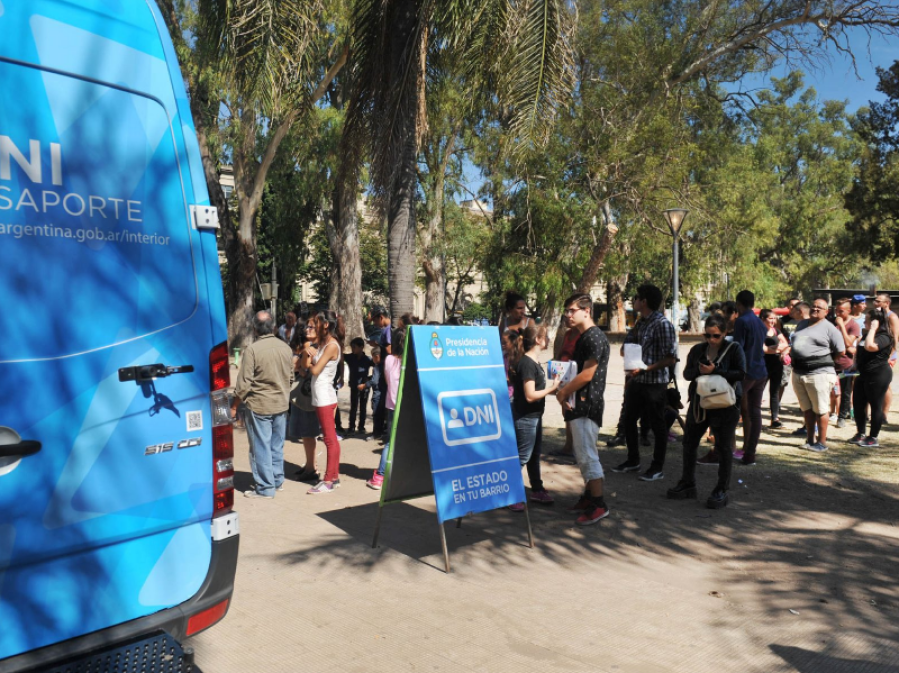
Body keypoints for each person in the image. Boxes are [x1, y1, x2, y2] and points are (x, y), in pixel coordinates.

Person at [667, 314, 746, 509]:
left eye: (716, 335)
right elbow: (687, 374)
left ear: (725, 333)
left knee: (723, 447)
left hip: (725, 405)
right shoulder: (698, 350)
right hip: (699, 404)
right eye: (707, 335)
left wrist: (716, 371)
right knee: (689, 442)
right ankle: (687, 482)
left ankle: (721, 489)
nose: (711, 339)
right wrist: (699, 371)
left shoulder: (734, 349)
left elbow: (741, 373)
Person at [555, 294, 611, 526]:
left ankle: (598, 504)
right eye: (566, 311)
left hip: (587, 405)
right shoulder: (583, 336)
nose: (568, 315)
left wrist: (563, 393)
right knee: (582, 453)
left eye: (572, 310)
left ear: (586, 311)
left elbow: (588, 374)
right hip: (580, 402)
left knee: (587, 456)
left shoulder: (594, 337)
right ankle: (589, 497)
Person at [614, 284, 677, 481]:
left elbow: (670, 358)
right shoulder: (640, 323)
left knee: (657, 425)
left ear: (644, 301)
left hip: (655, 383)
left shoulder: (662, 324)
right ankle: (633, 460)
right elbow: (626, 347)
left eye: (636, 297)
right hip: (637, 380)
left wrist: (646, 368)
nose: (633, 301)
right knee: (629, 419)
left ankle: (657, 467)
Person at [231, 310, 293, 499]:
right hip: (281, 404)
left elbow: (243, 384)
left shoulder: (252, 350)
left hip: (259, 405)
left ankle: (265, 487)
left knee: (260, 447)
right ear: (273, 327)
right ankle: (277, 480)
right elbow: (291, 378)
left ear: (255, 328)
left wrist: (234, 406)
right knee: (276, 445)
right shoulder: (286, 348)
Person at [507, 325, 560, 510]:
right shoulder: (527, 363)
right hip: (526, 417)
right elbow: (530, 395)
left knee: (534, 456)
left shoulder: (533, 362)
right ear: (538, 339)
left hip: (535, 416)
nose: (548, 339)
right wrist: (552, 389)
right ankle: (510, 495)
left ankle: (537, 489)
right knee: (523, 456)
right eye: (545, 336)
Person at [789, 297, 845, 452]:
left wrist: (823, 361)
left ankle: (822, 443)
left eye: (819, 308)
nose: (815, 309)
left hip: (819, 374)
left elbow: (841, 351)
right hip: (799, 372)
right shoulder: (802, 324)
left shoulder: (830, 328)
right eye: (813, 306)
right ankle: (810, 440)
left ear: (826, 312)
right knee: (807, 409)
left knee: (820, 409)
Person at [305, 310, 345, 494]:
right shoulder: (324, 343)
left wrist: (310, 359)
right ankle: (334, 477)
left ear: (326, 324)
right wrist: (309, 356)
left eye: (317, 322)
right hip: (320, 395)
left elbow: (315, 370)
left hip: (325, 397)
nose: (314, 326)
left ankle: (328, 480)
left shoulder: (332, 345)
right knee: (330, 438)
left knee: (329, 439)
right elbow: (308, 366)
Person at [366, 328, 405, 489]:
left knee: (390, 442)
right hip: (406, 406)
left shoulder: (389, 360)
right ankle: (389, 475)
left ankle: (380, 476)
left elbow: (389, 381)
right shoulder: (409, 361)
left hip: (392, 406)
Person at [732, 290, 768, 466]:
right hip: (760, 370)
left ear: (738, 304)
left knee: (731, 407)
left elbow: (738, 348)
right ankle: (750, 453)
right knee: (755, 412)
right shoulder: (760, 322)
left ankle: (725, 448)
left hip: (746, 371)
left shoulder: (741, 321)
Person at [851, 308, 893, 447]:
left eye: (867, 320)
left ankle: (873, 437)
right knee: (858, 404)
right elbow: (859, 349)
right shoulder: (866, 335)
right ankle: (860, 433)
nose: (864, 322)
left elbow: (870, 347)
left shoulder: (884, 337)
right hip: (863, 374)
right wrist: (854, 364)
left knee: (875, 405)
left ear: (876, 322)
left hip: (878, 374)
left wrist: (873, 329)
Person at [289, 321, 322, 482]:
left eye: (311, 327)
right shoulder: (305, 346)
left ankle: (311, 469)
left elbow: (304, 366)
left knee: (309, 433)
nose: (307, 329)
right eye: (306, 327)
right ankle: (310, 464)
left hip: (309, 394)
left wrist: (300, 364)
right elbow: (295, 365)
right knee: (305, 434)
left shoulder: (317, 347)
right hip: (302, 394)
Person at [832, 298, 861, 428]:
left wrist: (842, 326)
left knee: (846, 391)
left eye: (841, 311)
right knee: (830, 390)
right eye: (836, 310)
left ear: (849, 311)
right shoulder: (832, 322)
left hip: (847, 365)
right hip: (832, 362)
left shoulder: (853, 325)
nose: (838, 313)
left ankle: (842, 417)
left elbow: (849, 343)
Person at [760, 309, 789, 428]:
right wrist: (777, 349)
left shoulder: (776, 331)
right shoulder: (759, 331)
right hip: (763, 365)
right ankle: (753, 417)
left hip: (777, 365)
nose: (773, 321)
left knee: (775, 391)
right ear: (763, 319)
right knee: (759, 391)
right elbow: (763, 349)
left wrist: (778, 350)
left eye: (774, 318)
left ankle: (775, 418)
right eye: (770, 318)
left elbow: (786, 344)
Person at [370, 307, 392, 439]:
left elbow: (389, 349)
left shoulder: (388, 330)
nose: (375, 324)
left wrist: (379, 344)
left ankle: (381, 430)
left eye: (375, 320)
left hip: (387, 370)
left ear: (381, 317)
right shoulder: (387, 329)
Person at [344, 337, 373, 436]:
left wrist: (368, 379)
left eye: (354, 347)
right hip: (354, 386)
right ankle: (351, 427)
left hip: (364, 387)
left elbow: (378, 368)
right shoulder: (350, 357)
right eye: (351, 347)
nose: (352, 349)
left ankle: (361, 427)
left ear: (361, 347)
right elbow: (339, 355)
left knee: (363, 407)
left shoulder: (368, 359)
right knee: (353, 407)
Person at [365, 346, 382, 441]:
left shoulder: (376, 368)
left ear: (377, 356)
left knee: (376, 414)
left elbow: (375, 381)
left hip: (377, 394)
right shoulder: (384, 365)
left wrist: (365, 385)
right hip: (383, 393)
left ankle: (376, 434)